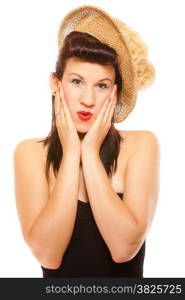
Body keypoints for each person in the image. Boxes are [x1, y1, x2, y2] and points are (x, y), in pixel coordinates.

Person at [13, 5, 160, 278]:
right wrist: (71, 155)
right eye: (77, 81)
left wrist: (89, 153)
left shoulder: (141, 146)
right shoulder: (29, 154)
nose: (88, 100)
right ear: (56, 85)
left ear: (115, 93)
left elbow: (123, 248)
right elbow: (48, 255)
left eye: (102, 85)